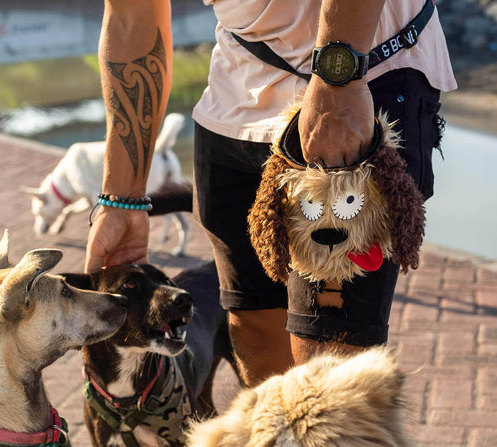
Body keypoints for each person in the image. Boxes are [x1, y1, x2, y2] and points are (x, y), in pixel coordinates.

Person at [85, 0, 456, 387]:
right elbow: (132, 15)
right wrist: (122, 198)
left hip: (364, 75)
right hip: (236, 91)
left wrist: (339, 81)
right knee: (254, 334)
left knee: (330, 376)